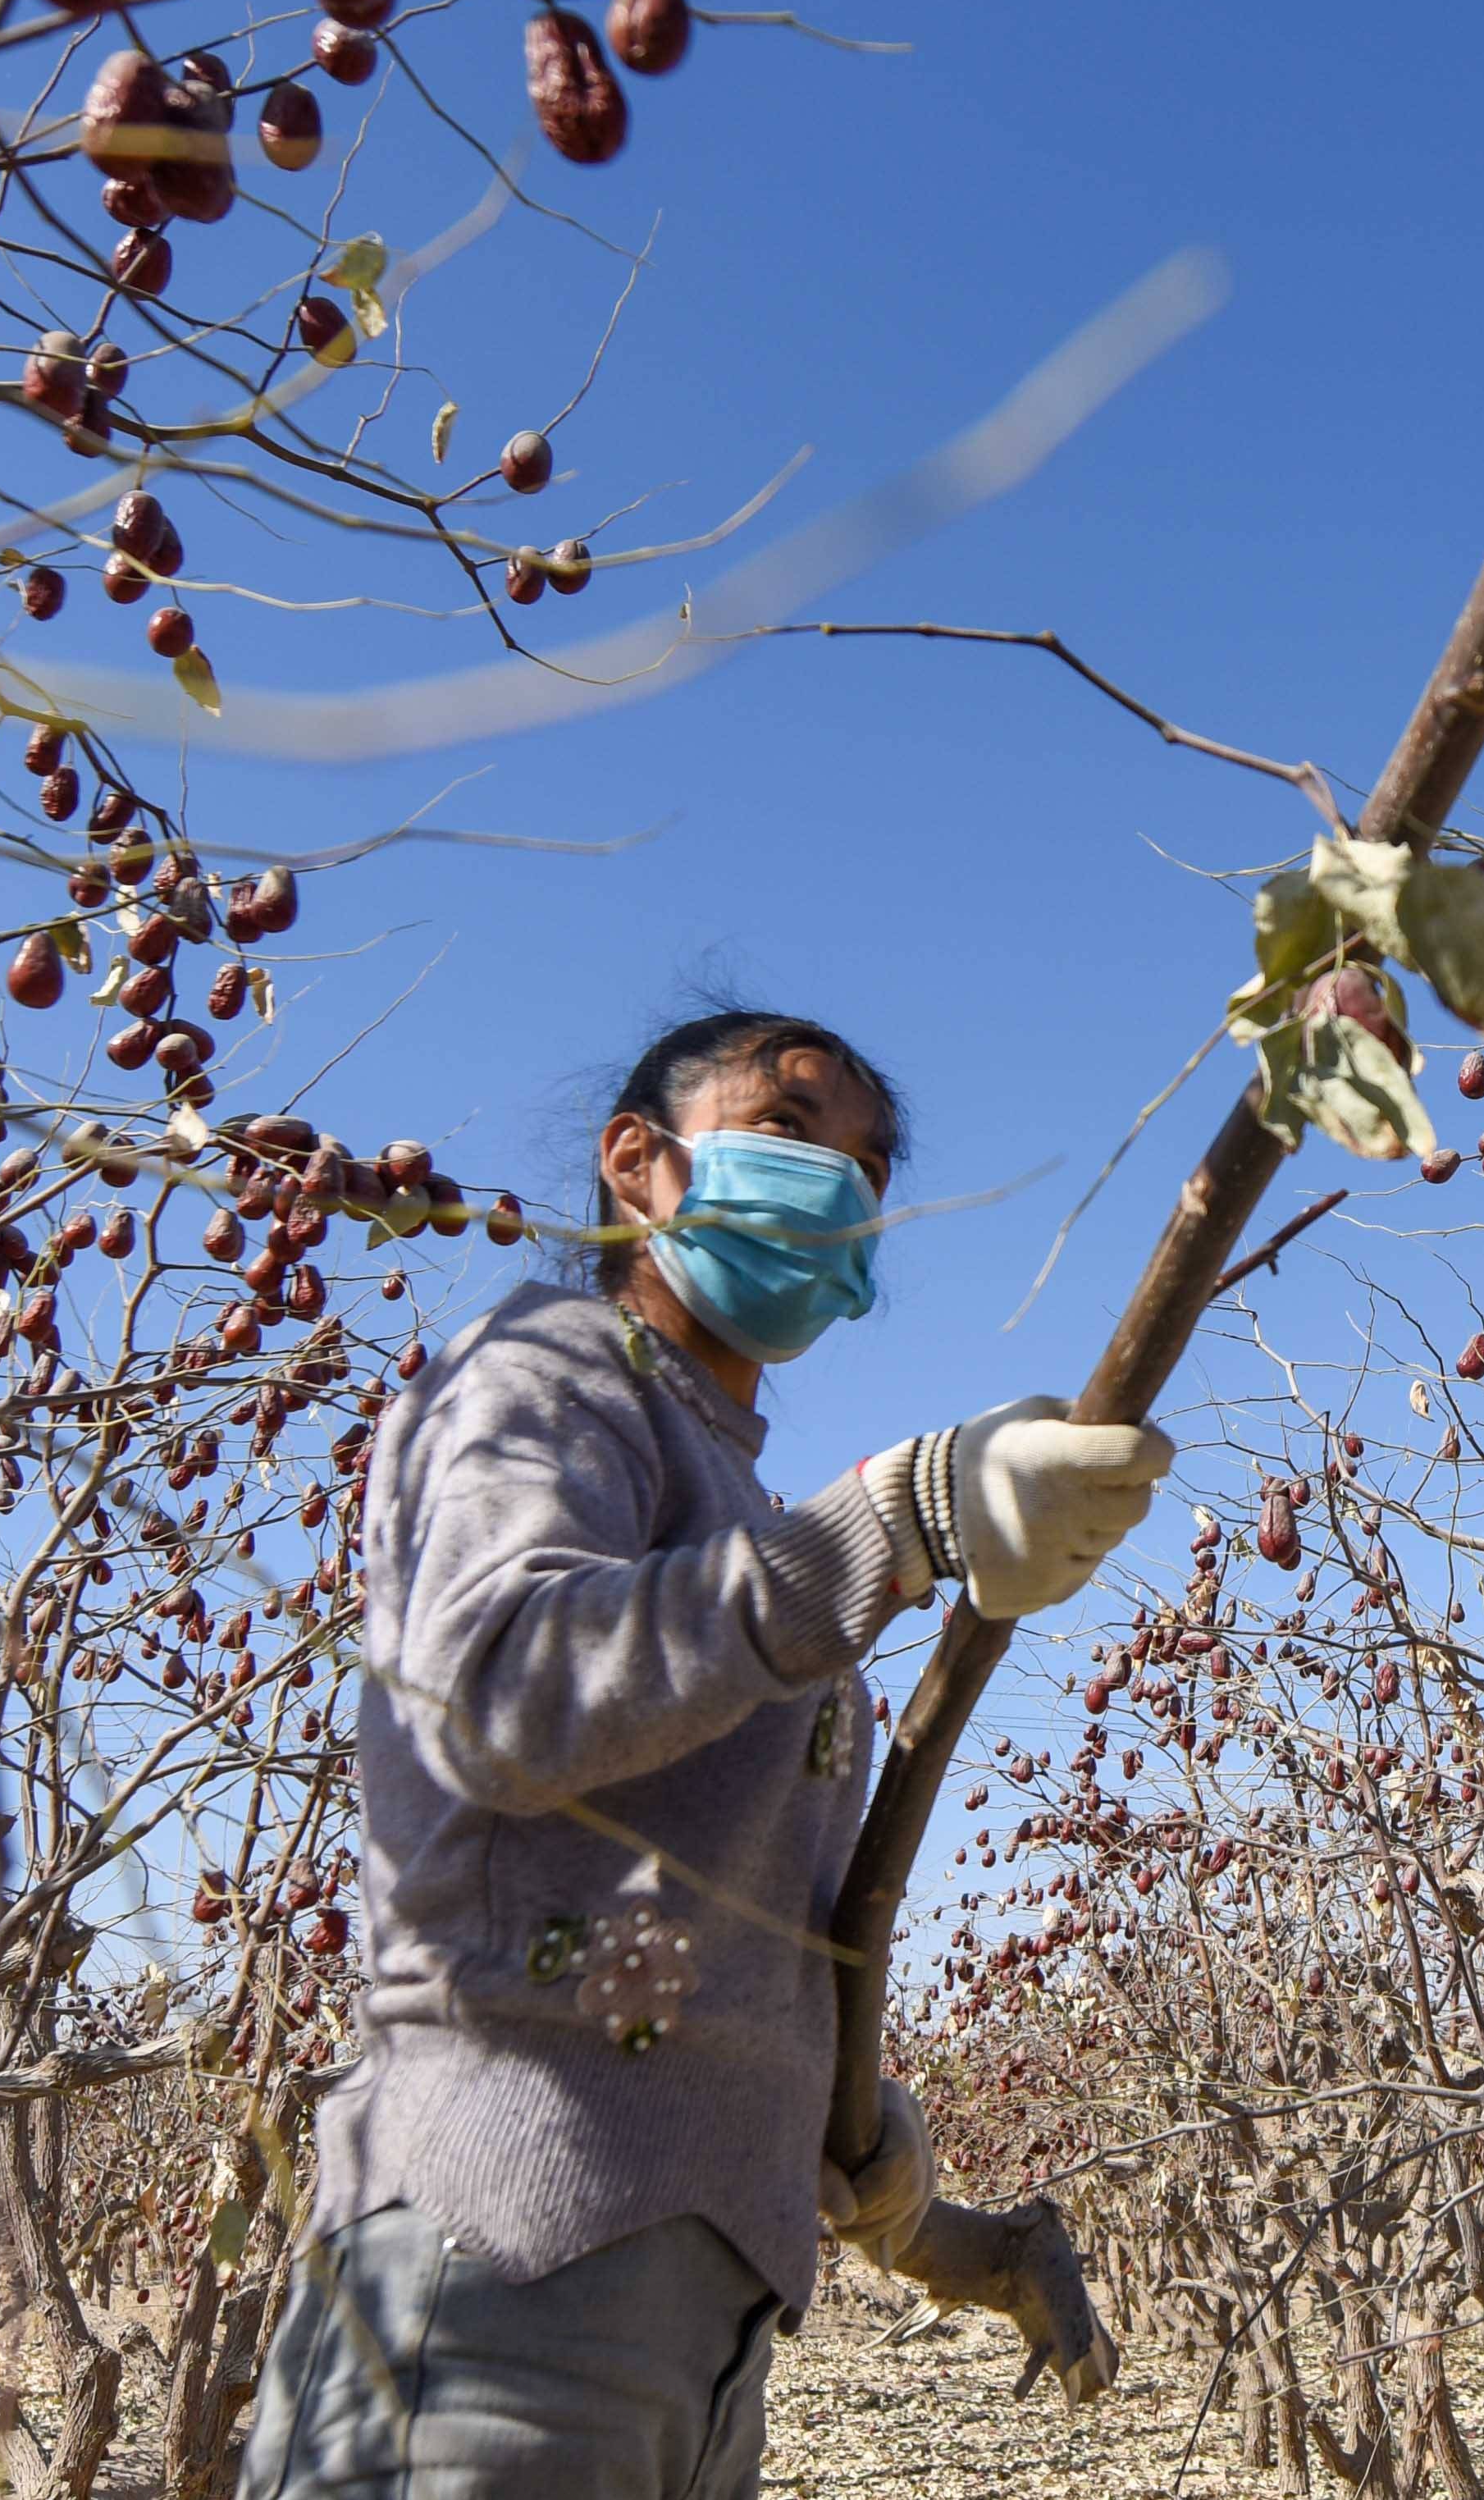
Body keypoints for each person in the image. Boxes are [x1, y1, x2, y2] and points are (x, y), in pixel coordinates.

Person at [244, 1007, 1174, 2500]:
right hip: (498, 2273)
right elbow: (497, 1695)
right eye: (792, 1126)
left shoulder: (739, 1513)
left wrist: (885, 2176)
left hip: (690, 2324)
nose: (839, 1178)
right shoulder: (538, 1372)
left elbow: (690, 1933)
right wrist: (900, 1521)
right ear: (641, 1163)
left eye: (869, 1163)